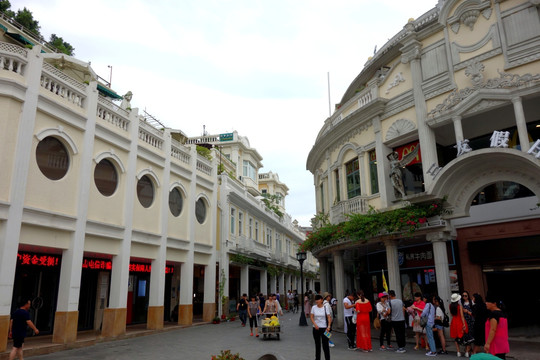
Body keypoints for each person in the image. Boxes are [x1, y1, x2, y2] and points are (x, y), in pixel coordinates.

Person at [484, 294, 509, 359]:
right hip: (502, 343)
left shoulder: (494, 314)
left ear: (494, 303)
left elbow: (493, 329)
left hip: (496, 343)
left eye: (487, 302)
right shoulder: (502, 313)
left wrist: (488, 343)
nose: (485, 303)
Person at [310, 294, 332, 360]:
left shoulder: (325, 307)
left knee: (325, 345)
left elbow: (329, 317)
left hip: (325, 329)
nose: (317, 301)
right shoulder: (314, 307)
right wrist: (315, 324)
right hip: (316, 328)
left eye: (318, 299)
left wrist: (329, 326)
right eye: (316, 300)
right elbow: (311, 317)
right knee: (317, 345)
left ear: (322, 300)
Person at [462, 291, 475, 356]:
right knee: (466, 335)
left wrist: (467, 311)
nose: (464, 297)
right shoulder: (462, 303)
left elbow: (474, 312)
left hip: (470, 320)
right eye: (463, 296)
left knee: (471, 334)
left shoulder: (471, 302)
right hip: (465, 320)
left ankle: (470, 349)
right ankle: (468, 349)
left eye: (465, 295)